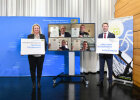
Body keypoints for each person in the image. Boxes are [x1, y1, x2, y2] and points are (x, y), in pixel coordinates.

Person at [28, 24, 47, 88]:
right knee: (32, 70)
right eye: (35, 28)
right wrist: (23, 51)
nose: (36, 29)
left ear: (39, 29)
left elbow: (45, 45)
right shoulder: (29, 36)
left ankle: (38, 82)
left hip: (40, 56)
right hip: (31, 57)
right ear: (33, 29)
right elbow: (27, 46)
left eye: (37, 28)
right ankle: (33, 83)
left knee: (39, 70)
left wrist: (43, 51)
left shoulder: (42, 36)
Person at [97, 23, 115, 88]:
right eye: (104, 26)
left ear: (108, 27)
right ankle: (101, 81)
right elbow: (98, 44)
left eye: (106, 26)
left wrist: (116, 46)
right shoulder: (100, 35)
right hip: (101, 55)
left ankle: (110, 81)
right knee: (101, 68)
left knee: (110, 68)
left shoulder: (112, 35)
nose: (105, 27)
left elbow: (114, 44)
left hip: (109, 55)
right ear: (102, 27)